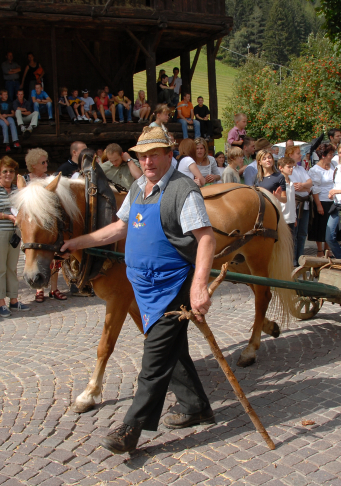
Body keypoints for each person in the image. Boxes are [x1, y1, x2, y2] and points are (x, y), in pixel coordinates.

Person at [60, 126, 216, 454]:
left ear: (169, 155)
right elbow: (119, 227)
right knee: (171, 349)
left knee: (154, 356)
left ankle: (130, 428)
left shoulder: (183, 189)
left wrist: (200, 285)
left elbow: (206, 238)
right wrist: (78, 242)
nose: (147, 161)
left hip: (173, 286)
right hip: (143, 287)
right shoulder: (137, 187)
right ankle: (196, 405)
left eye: (154, 154)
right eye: (142, 155)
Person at [0, 157, 29, 317]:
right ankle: (1, 302)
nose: (8, 174)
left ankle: (14, 300)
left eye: (11, 171)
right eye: (5, 171)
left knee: (12, 267)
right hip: (0, 232)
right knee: (0, 268)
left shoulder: (17, 190)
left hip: (15, 233)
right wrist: (7, 216)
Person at [23, 148, 54, 303]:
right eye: (43, 162)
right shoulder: (25, 180)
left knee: (54, 258)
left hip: (47, 224)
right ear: (33, 165)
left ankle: (54, 288)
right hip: (31, 224)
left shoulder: (50, 180)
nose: (46, 164)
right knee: (34, 255)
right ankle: (39, 289)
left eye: (46, 161)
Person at [286, 145, 313, 264]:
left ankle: (300, 258)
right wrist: (304, 187)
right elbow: (293, 187)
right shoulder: (288, 170)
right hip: (295, 204)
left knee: (302, 233)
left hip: (305, 204)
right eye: (298, 153)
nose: (300, 155)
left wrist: (303, 186)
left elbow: (310, 183)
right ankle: (292, 260)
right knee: (294, 233)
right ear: (290, 155)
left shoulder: (301, 169)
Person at [308, 144, 336, 257]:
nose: (332, 156)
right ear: (323, 156)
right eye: (330, 154)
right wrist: (319, 205)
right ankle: (320, 250)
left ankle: (327, 249)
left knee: (330, 227)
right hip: (321, 200)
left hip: (333, 200)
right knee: (320, 226)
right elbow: (314, 188)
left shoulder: (333, 166)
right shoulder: (315, 170)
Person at [278, 156, 297, 234]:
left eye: (292, 167)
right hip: (282, 219)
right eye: (289, 167)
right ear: (281, 168)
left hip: (291, 218)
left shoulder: (291, 182)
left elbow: (292, 201)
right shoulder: (278, 183)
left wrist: (294, 217)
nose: (291, 169)